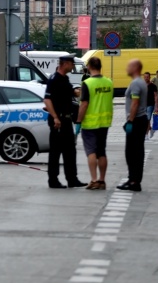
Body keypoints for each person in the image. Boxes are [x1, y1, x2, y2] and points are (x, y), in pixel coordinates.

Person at [43, 54, 87, 189]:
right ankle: (53, 179)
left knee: (70, 151)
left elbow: (65, 94)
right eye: (71, 63)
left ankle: (72, 179)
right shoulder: (54, 79)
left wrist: (75, 92)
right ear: (65, 64)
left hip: (67, 120)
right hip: (58, 121)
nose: (73, 66)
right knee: (56, 151)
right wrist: (55, 117)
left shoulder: (65, 79)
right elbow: (47, 99)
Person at [77, 57, 114, 190]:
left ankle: (93, 180)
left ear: (90, 67)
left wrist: (78, 121)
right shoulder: (109, 82)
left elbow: (84, 104)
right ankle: (102, 180)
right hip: (105, 122)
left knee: (91, 152)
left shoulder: (87, 83)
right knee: (102, 152)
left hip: (90, 123)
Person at [118, 59, 150, 192]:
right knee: (136, 151)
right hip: (140, 120)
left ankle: (134, 181)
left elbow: (135, 103)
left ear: (135, 68)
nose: (127, 67)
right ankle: (134, 179)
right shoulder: (140, 82)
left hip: (136, 121)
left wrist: (130, 121)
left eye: (129, 65)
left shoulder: (136, 83)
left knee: (132, 152)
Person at [144, 72, 158, 139]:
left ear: (150, 77)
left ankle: (146, 135)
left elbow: (156, 96)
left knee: (148, 119)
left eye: (147, 77)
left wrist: (156, 106)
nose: (146, 78)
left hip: (150, 105)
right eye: (145, 77)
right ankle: (151, 129)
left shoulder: (153, 86)